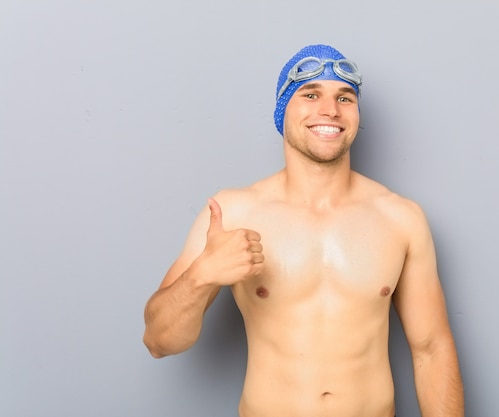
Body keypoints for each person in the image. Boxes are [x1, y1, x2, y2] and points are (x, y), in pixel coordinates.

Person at [143, 44, 464, 417]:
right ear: (283, 110)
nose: (330, 110)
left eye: (345, 97)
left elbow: (432, 349)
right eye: (310, 94)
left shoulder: (400, 218)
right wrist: (202, 276)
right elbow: (159, 341)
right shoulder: (232, 212)